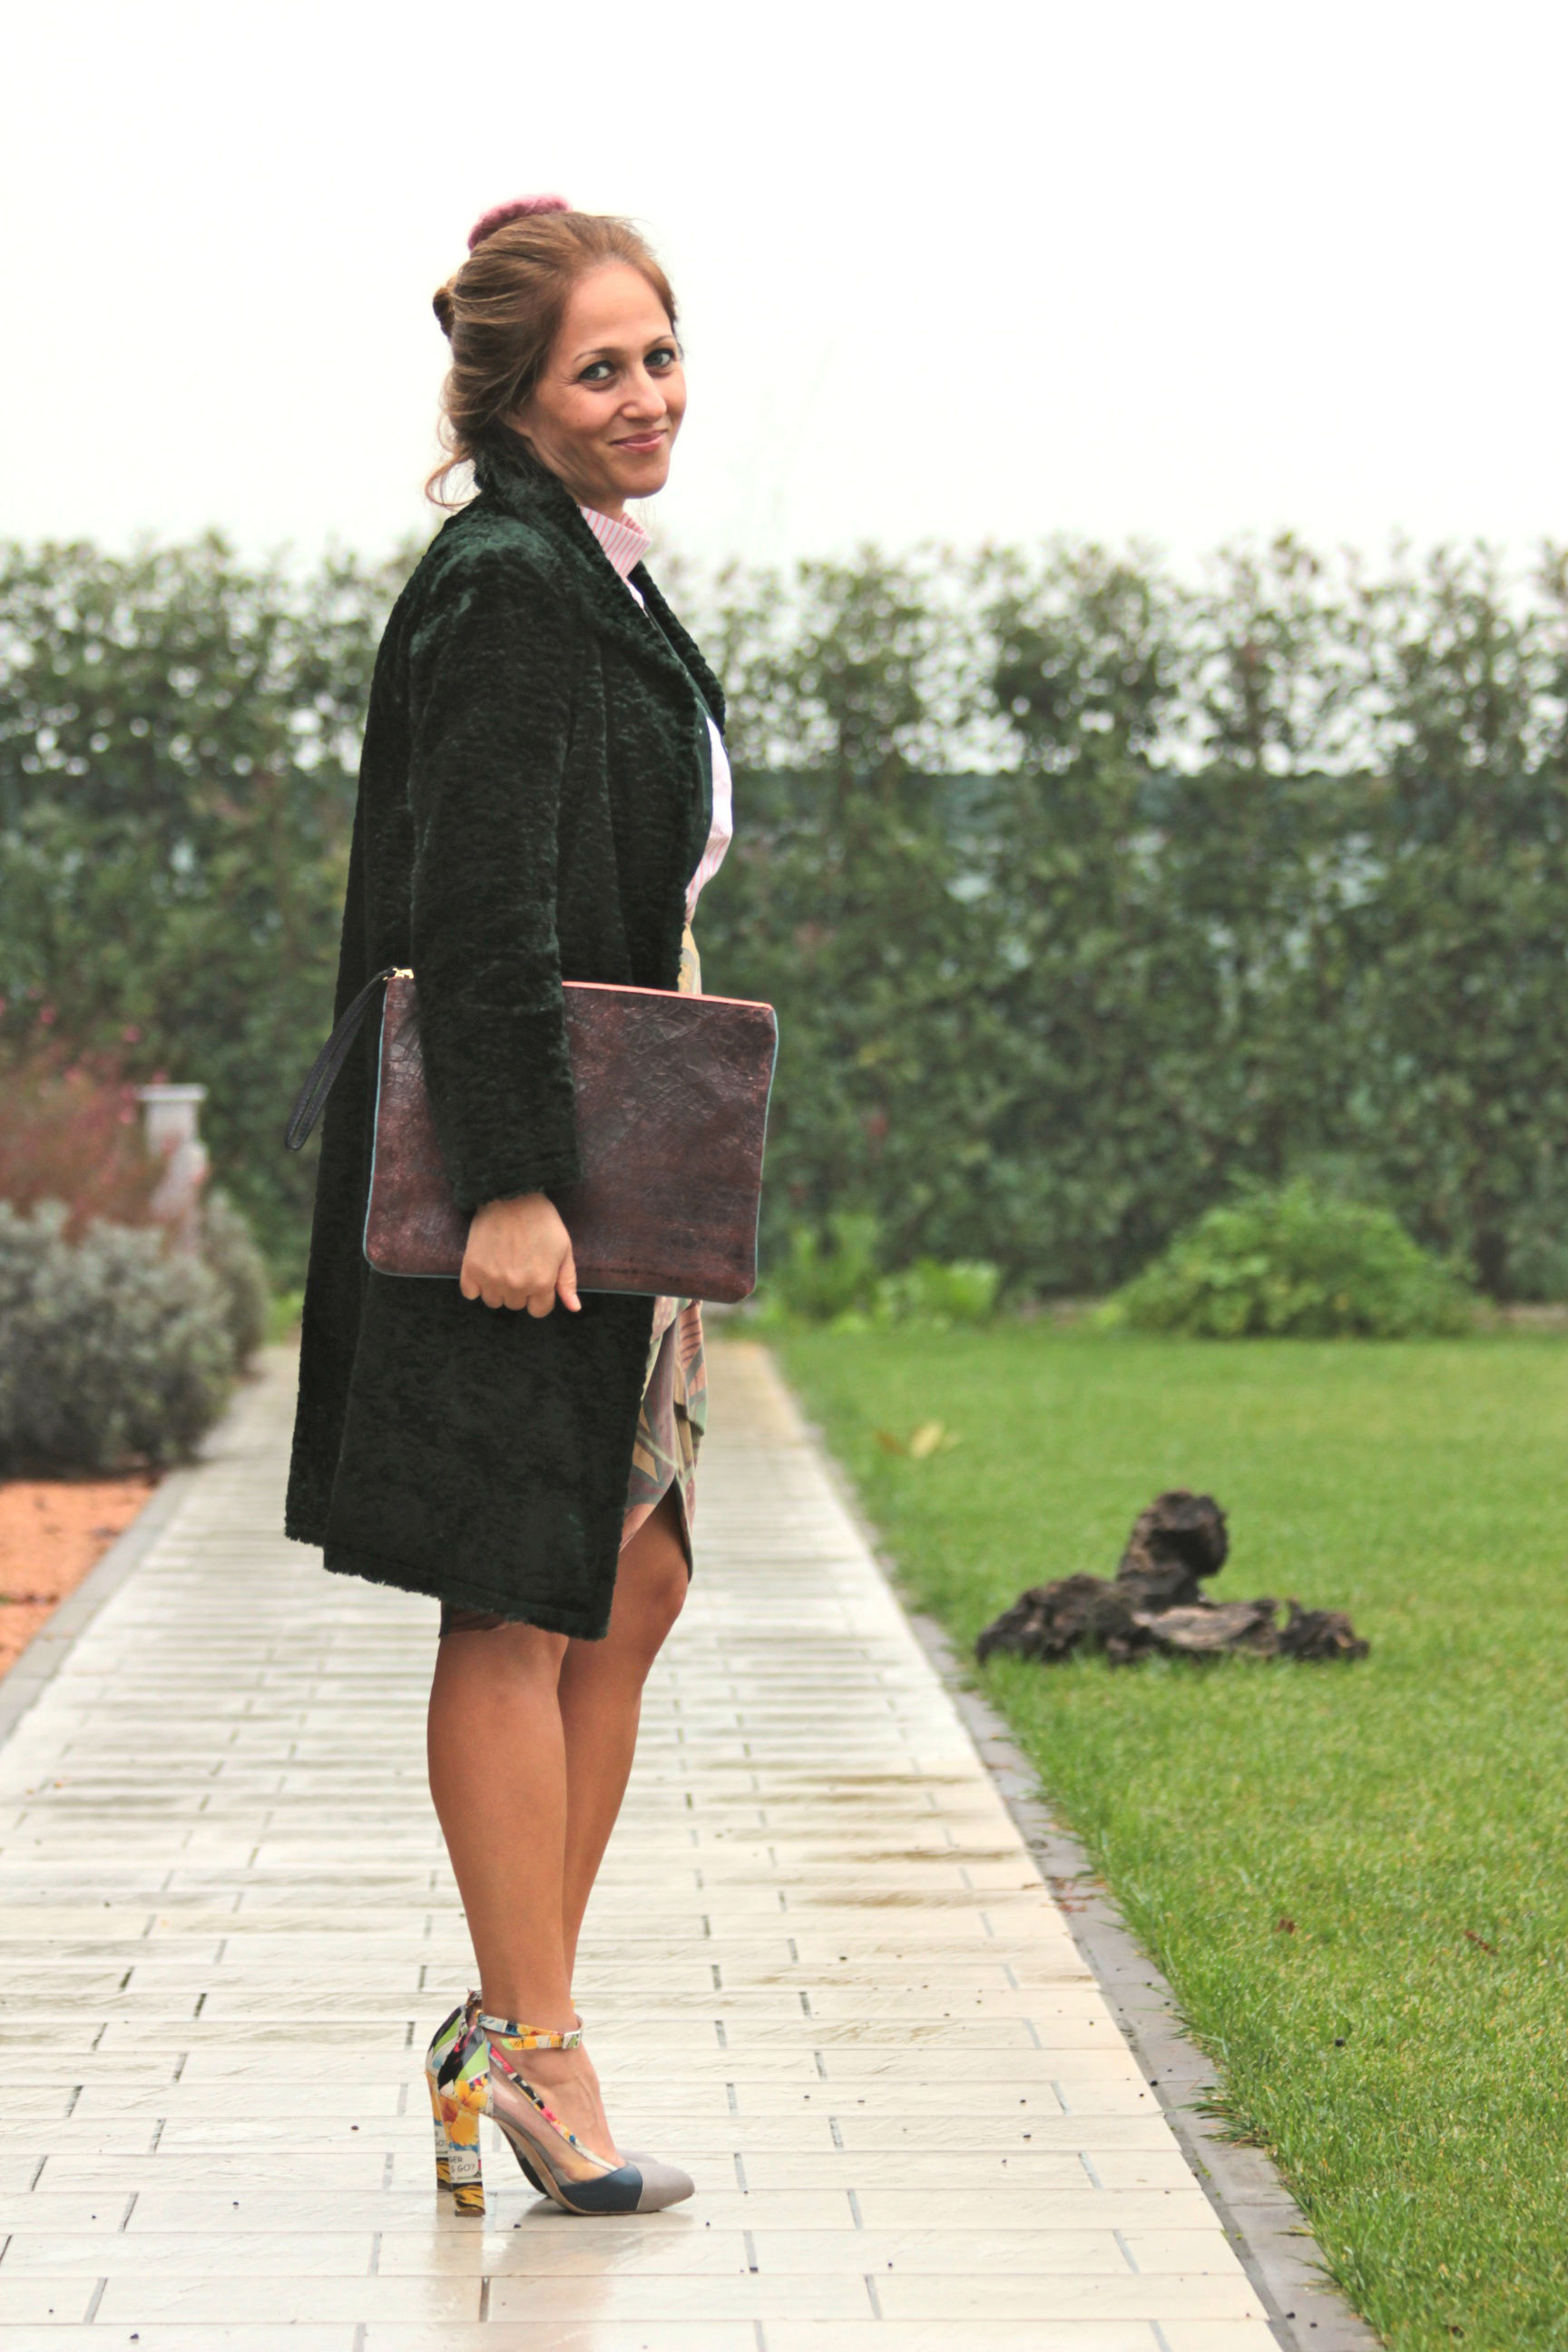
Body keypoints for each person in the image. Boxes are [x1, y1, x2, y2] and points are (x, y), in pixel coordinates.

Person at [285, 195, 734, 2217]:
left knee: (629, 1581)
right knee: (515, 1590)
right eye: (600, 369)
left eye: (660, 354)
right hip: (526, 1176)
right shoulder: (508, 585)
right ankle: (540, 2049)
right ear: (513, 398)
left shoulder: (591, 571)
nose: (647, 397)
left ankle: (511, 2014)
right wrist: (517, 1184)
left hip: (609, 1160)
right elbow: (477, 901)